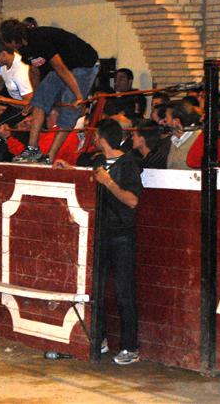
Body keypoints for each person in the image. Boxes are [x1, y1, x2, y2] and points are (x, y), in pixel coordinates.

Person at [0, 18, 99, 164]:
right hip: (64, 66)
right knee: (39, 101)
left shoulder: (39, 39)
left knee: (69, 110)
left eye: (7, 43)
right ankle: (32, 149)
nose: (8, 47)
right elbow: (35, 71)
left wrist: (78, 96)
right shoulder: (23, 49)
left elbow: (60, 68)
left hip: (84, 64)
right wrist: (36, 97)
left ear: (13, 40)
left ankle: (50, 156)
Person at [89, 118, 143, 365]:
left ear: (102, 138)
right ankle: (99, 338)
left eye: (96, 136)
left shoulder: (129, 163)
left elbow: (132, 200)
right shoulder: (98, 161)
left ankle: (130, 347)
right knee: (96, 289)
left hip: (121, 233)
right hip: (102, 232)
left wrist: (108, 182)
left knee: (123, 292)